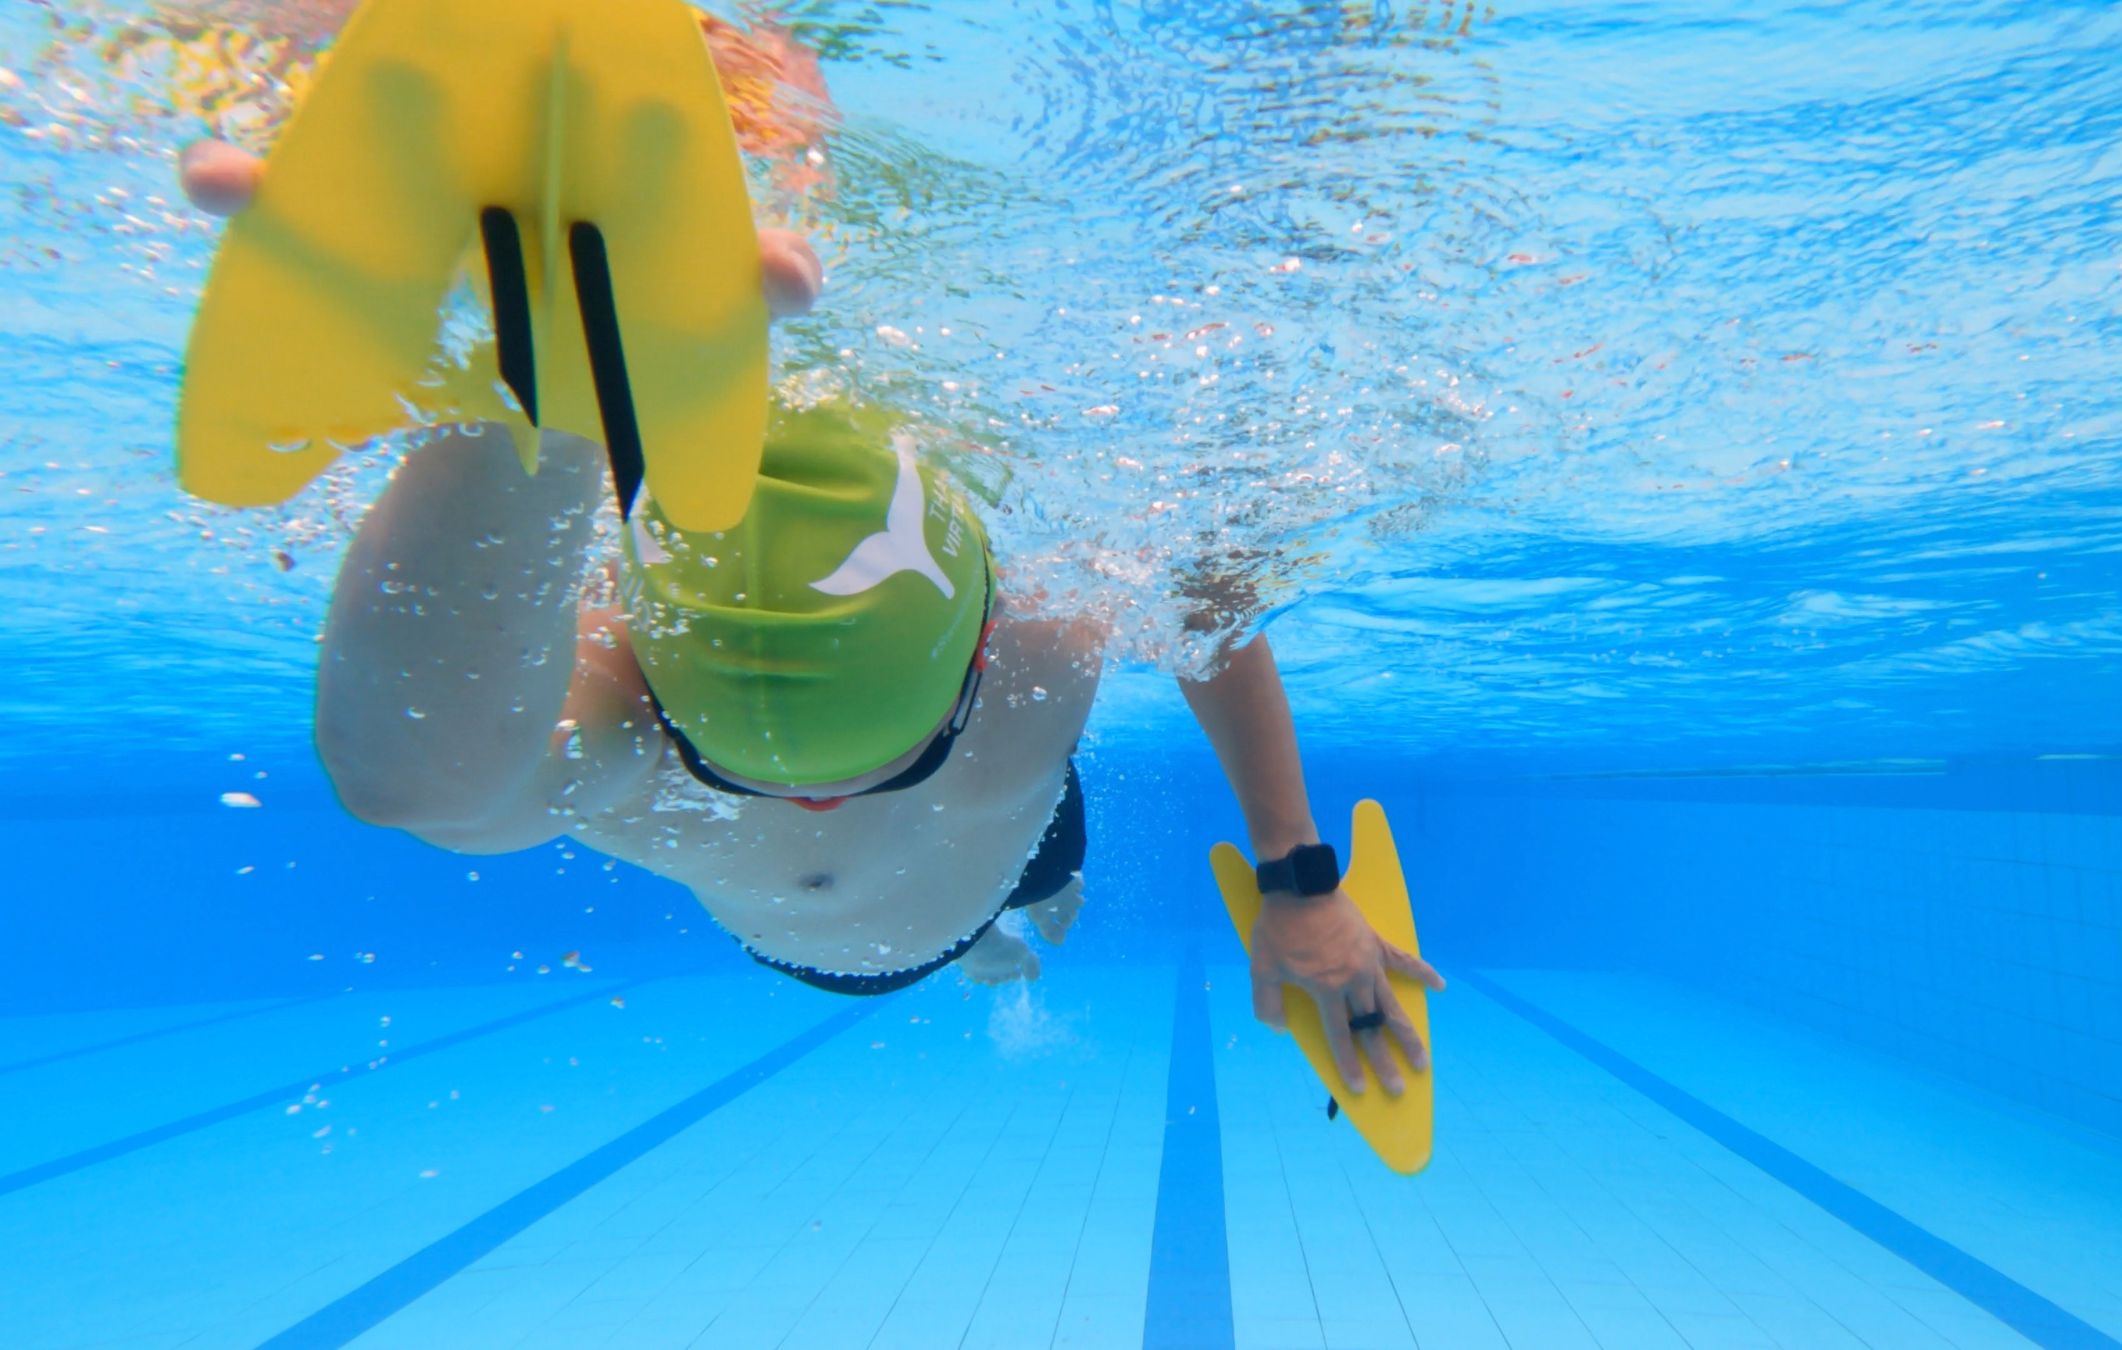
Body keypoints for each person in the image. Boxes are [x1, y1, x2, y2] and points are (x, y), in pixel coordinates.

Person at [173, 61, 1442, 1101]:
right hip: (868, 911)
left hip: (1015, 833)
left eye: (884, 756)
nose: (821, 802)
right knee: (1013, 898)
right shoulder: (616, 718)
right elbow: (411, 781)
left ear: (984, 648)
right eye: (721, 753)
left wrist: (1301, 879)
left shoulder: (1048, 619)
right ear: (641, 670)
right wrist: (534, 394)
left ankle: (1014, 927)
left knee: (1041, 891)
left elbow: (1207, 600)